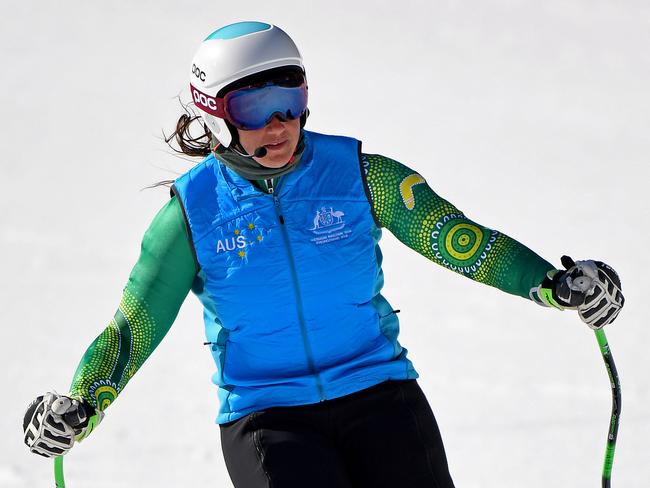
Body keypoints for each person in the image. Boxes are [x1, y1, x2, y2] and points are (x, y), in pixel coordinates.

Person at [23, 21, 625, 488]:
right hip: (267, 416)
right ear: (212, 114)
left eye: (290, 99)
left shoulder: (361, 176)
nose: (279, 123)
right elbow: (135, 326)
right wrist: (82, 402)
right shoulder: (191, 215)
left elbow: (458, 239)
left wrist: (552, 283)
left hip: (380, 392)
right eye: (254, 109)